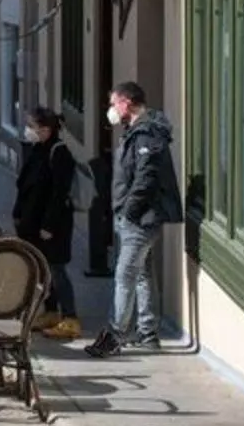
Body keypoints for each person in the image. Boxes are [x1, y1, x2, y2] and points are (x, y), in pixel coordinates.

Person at [86, 82, 182, 358]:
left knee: (124, 275)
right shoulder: (136, 131)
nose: (111, 110)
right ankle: (148, 332)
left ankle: (114, 335)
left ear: (126, 103)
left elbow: (146, 178)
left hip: (140, 220)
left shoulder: (147, 134)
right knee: (141, 274)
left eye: (114, 103)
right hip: (134, 217)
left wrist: (129, 212)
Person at [15, 108, 80, 340]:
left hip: (53, 225)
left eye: (31, 127)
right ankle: (51, 311)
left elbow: (59, 193)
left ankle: (70, 317)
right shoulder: (37, 150)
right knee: (44, 270)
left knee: (57, 269)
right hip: (33, 223)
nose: (28, 131)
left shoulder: (59, 153)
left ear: (46, 130)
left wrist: (49, 225)